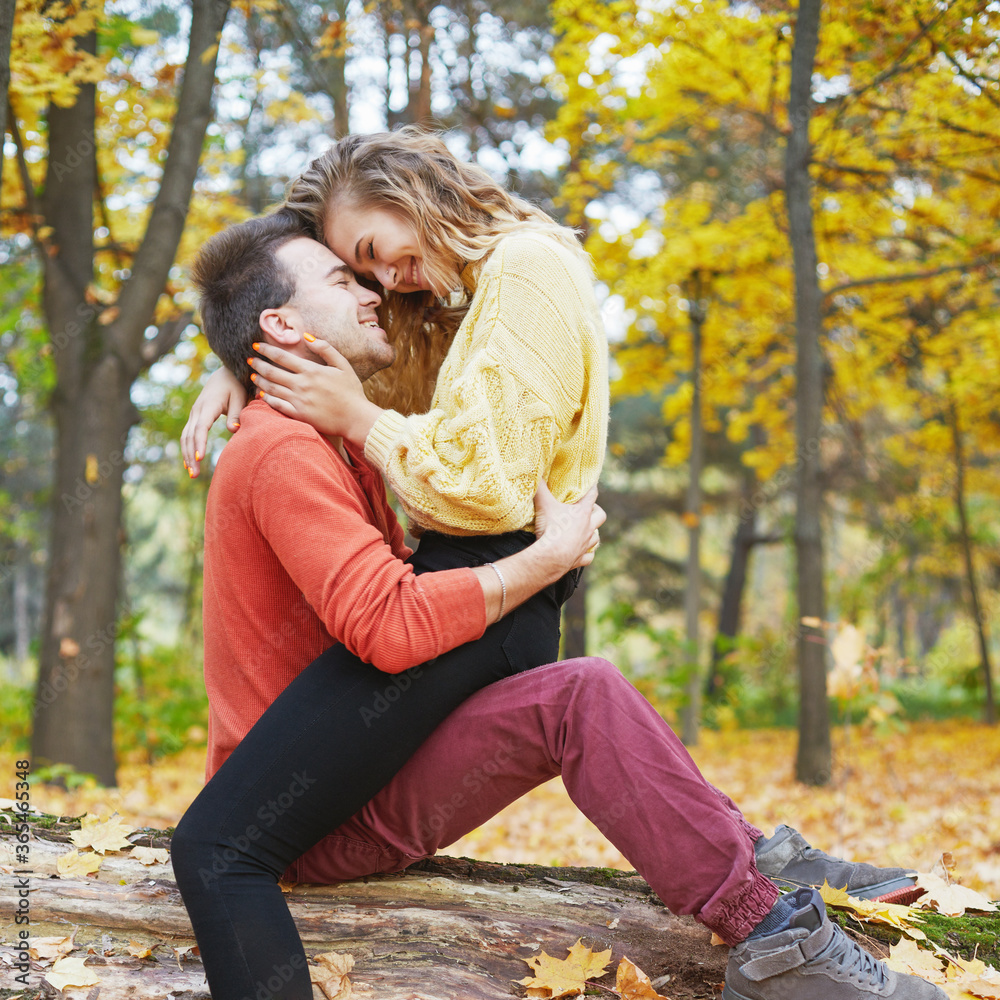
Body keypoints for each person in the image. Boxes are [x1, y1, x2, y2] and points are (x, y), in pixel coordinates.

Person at [171, 211, 943, 1000]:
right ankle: (774, 923)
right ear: (282, 324)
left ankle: (767, 899)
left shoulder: (334, 444)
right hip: (296, 815)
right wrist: (546, 559)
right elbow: (389, 624)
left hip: (371, 767)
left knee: (582, 691)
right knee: (544, 640)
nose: (373, 293)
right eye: (345, 280)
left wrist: (239, 363)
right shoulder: (279, 449)